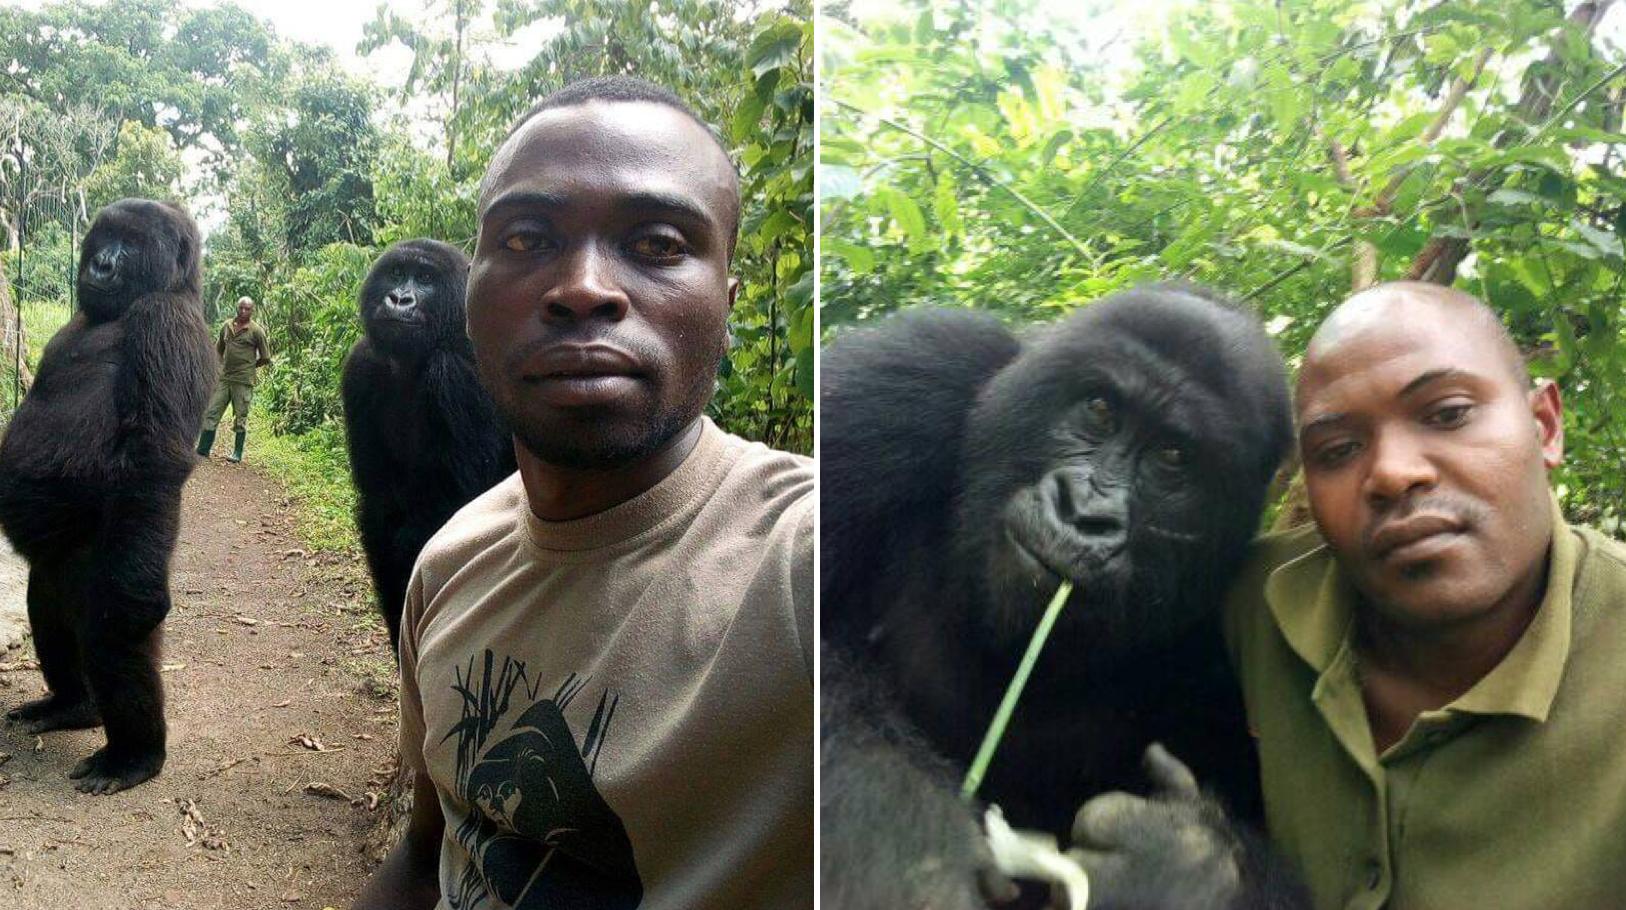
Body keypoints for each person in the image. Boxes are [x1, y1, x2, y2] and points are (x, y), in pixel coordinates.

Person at [353, 76, 813, 910]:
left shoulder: (806, 562)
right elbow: (430, 857)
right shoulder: (449, 566)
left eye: (660, 242)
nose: (583, 287)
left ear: (728, 307)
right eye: (528, 240)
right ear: (475, 303)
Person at [1216, 281, 1626, 908]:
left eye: (1448, 413)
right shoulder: (1245, 604)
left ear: (1545, 426)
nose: (1392, 472)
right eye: (1338, 450)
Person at [196, 295, 271, 462]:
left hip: (243, 381)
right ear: (237, 308)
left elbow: (266, 357)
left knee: (240, 416)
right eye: (241, 308)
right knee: (211, 412)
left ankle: (237, 453)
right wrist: (217, 369)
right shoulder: (227, 326)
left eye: (247, 309)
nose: (243, 311)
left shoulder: (256, 331)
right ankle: (203, 449)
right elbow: (218, 351)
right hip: (224, 379)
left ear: (252, 311)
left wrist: (250, 367)